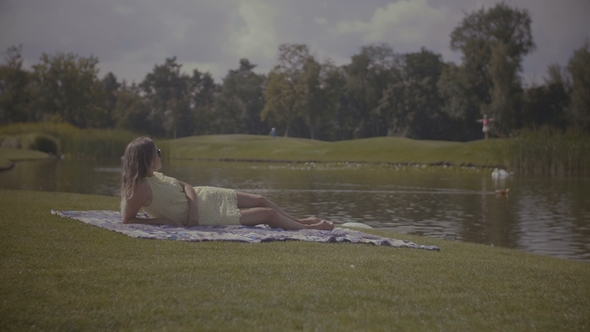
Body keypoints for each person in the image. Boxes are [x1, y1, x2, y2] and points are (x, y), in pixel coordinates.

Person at [120, 137, 334, 230]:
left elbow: (187, 187)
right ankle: (312, 230)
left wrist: (193, 207)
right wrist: (166, 221)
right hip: (209, 215)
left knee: (261, 199)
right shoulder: (140, 188)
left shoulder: (156, 176)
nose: (160, 155)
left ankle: (303, 221)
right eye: (157, 152)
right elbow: (127, 221)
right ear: (147, 158)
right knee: (268, 215)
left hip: (205, 198)